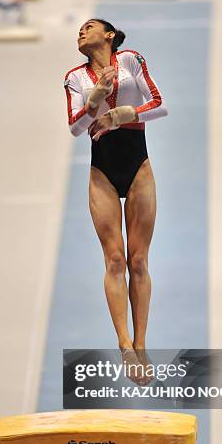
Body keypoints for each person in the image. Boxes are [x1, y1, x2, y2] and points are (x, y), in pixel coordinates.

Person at [64, 18, 168, 366]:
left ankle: (141, 345)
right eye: (79, 29)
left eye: (89, 26)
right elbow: (76, 129)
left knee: (138, 261)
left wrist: (124, 113)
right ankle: (125, 344)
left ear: (109, 35)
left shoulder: (130, 60)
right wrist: (94, 98)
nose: (82, 31)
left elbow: (159, 104)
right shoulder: (75, 77)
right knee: (115, 260)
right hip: (103, 171)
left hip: (138, 165)